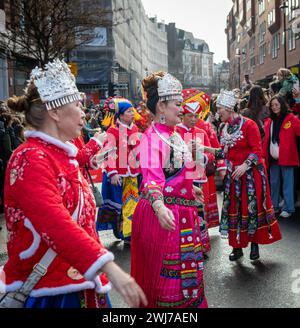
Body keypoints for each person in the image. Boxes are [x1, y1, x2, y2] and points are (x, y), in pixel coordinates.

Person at [0, 59, 147, 308]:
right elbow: (55, 223)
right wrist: (108, 266)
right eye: (77, 105)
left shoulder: (61, 154)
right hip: (52, 293)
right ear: (55, 112)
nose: (83, 112)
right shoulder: (30, 157)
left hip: (82, 279)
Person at [131, 72, 208, 308]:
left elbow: (176, 172)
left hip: (181, 214)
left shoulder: (174, 135)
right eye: (177, 104)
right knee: (169, 285)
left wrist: (190, 188)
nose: (182, 109)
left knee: (188, 280)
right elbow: (152, 179)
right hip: (165, 217)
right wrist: (159, 205)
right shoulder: (151, 138)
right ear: (161, 106)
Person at [205, 90, 282, 262]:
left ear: (229, 108)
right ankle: (237, 247)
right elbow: (223, 153)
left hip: (251, 176)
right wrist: (204, 149)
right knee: (234, 209)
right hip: (233, 178)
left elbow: (257, 150)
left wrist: (245, 165)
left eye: (220, 109)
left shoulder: (249, 125)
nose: (218, 113)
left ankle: (255, 245)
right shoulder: (224, 128)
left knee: (251, 209)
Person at [176, 89, 215, 257]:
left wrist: (200, 154)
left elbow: (210, 155)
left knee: (199, 213)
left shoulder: (201, 133)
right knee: (182, 213)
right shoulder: (175, 132)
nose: (193, 119)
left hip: (197, 178)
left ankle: (200, 246)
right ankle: (182, 247)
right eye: (189, 116)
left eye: (196, 116)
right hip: (180, 179)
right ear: (182, 116)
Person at [97, 98, 141, 241]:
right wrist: (113, 173)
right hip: (117, 175)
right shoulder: (113, 131)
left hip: (132, 173)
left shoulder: (134, 129)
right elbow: (107, 153)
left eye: (132, 111)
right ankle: (118, 229)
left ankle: (129, 233)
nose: (132, 114)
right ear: (120, 115)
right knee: (117, 205)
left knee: (131, 202)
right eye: (129, 112)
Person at [262, 95, 300, 218]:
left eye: (277, 105)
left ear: (282, 105)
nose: (274, 107)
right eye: (272, 105)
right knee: (274, 182)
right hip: (273, 158)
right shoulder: (269, 121)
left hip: (287, 157)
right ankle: (274, 205)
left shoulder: (291, 119)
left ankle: (289, 208)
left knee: (288, 183)